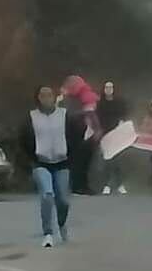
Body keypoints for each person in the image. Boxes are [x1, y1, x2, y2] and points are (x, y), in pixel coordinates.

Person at [20, 85, 92, 248]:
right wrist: (31, 157)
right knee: (47, 195)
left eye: (49, 95)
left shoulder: (65, 115)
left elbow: (79, 133)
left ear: (54, 97)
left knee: (64, 200)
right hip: (41, 162)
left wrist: (72, 153)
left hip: (62, 162)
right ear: (38, 98)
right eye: (42, 95)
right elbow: (23, 138)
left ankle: (61, 224)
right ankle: (48, 233)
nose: (46, 98)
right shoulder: (32, 117)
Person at [62, 75, 101, 195]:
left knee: (80, 161)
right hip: (80, 132)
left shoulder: (73, 98)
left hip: (78, 131)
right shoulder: (78, 97)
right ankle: (79, 186)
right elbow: (90, 114)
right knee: (80, 161)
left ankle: (80, 186)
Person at [96, 80, 129, 195]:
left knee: (117, 159)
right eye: (106, 87)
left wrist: (121, 123)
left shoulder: (119, 102)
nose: (109, 90)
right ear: (104, 89)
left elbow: (124, 115)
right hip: (106, 134)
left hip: (117, 133)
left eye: (111, 87)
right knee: (108, 160)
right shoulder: (100, 103)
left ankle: (119, 184)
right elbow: (98, 117)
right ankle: (107, 184)